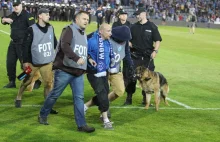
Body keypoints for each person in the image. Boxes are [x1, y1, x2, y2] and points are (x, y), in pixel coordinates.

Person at [38, 11, 95, 133]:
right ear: (77, 19)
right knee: (55, 94)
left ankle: (81, 125)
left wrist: (89, 59)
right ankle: (43, 114)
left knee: (79, 98)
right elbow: (65, 46)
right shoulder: (68, 30)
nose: (86, 21)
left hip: (78, 72)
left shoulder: (83, 33)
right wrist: (76, 58)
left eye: (87, 19)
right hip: (65, 69)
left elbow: (82, 51)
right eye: (84, 19)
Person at [14, 8, 58, 114]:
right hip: (33, 62)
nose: (49, 16)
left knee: (48, 84)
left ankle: (47, 106)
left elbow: (55, 43)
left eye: (49, 14)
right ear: (40, 16)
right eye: (46, 14)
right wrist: (25, 62)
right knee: (27, 80)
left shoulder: (51, 27)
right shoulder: (31, 29)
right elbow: (26, 47)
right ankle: (19, 96)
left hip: (47, 62)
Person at [85, 26, 134, 118]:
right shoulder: (105, 35)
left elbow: (127, 54)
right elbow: (87, 41)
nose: (125, 41)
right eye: (123, 39)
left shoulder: (125, 40)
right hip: (103, 69)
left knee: (120, 91)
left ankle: (87, 105)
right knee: (104, 92)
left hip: (116, 69)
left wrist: (130, 66)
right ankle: (104, 111)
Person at [123, 7, 162, 106]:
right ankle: (129, 97)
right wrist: (129, 43)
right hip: (135, 55)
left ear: (144, 14)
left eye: (138, 14)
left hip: (147, 57)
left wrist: (155, 51)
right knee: (131, 77)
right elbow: (127, 38)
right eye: (136, 15)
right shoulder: (133, 27)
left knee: (147, 78)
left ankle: (145, 99)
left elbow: (157, 40)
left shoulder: (152, 26)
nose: (137, 16)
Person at [85, 23, 116, 130]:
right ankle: (106, 120)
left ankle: (84, 107)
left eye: (110, 31)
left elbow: (109, 57)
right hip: (94, 73)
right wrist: (90, 60)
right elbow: (84, 53)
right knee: (102, 95)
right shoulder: (92, 41)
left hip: (104, 73)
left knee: (104, 93)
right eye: (108, 31)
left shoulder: (108, 42)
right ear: (101, 31)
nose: (110, 33)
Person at [1, 0, 35, 88]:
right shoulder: (12, 15)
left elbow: (33, 30)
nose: (16, 7)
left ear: (21, 6)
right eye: (14, 5)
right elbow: (3, 20)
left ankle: (34, 79)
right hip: (13, 43)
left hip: (23, 44)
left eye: (17, 5)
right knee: (10, 63)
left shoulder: (28, 16)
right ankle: (12, 82)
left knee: (25, 65)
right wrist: (4, 19)